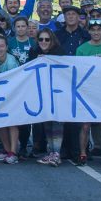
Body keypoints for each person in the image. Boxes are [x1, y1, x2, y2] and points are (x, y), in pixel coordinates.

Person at [76, 19, 101, 167]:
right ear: (89, 31)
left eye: (98, 29)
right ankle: (82, 153)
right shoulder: (81, 49)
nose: (96, 32)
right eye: (93, 30)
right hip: (87, 92)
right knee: (85, 125)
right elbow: (78, 70)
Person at [28, 30, 64, 166]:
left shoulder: (59, 52)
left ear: (52, 40)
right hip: (42, 92)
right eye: (41, 39)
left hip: (57, 93)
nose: (43, 42)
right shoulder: (33, 52)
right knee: (47, 122)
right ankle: (51, 152)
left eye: (47, 39)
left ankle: (57, 153)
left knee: (57, 122)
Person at [0, 35, 21, 164]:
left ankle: (14, 152)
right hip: (1, 95)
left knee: (12, 122)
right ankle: (7, 151)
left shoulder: (11, 62)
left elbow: (13, 81)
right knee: (0, 122)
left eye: (2, 46)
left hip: (14, 93)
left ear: (6, 47)